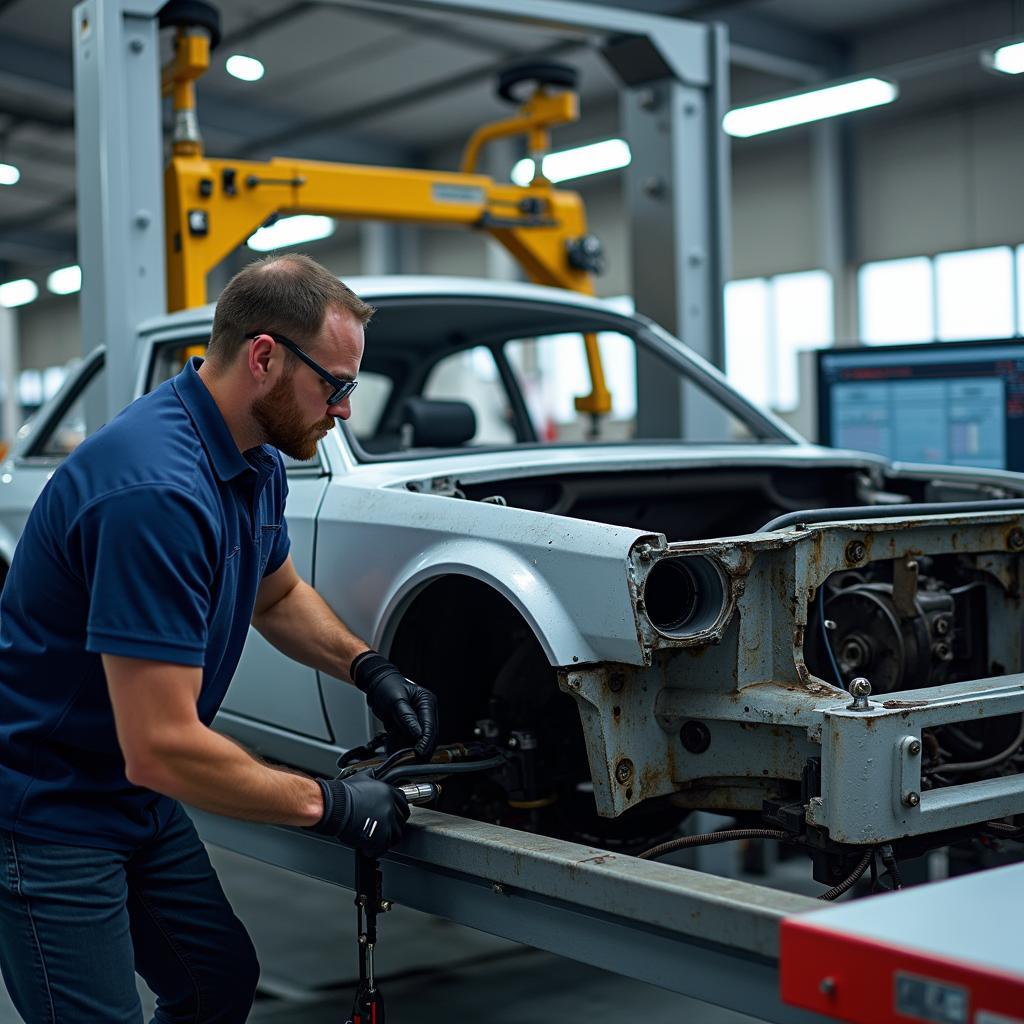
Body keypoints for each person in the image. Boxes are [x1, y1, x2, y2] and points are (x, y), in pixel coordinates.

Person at [0, 253, 438, 1023]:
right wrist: (330, 804)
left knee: (215, 982)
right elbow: (161, 745)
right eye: (333, 386)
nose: (342, 411)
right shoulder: (156, 493)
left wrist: (370, 669)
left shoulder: (254, 458)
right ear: (265, 356)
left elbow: (279, 595)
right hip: (47, 809)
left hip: (132, 796)